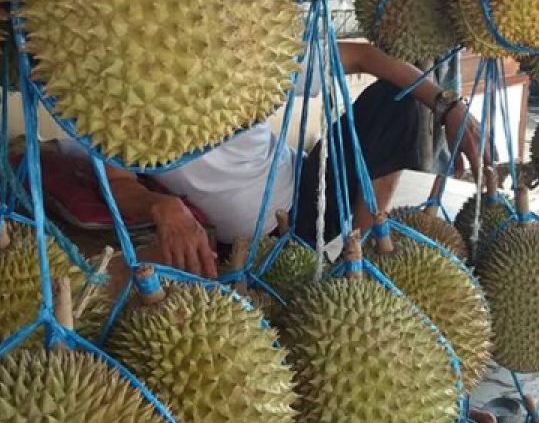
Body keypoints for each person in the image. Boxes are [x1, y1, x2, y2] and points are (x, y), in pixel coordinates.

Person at [102, 42, 483, 277]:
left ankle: (363, 261)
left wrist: (447, 106)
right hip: (245, 246)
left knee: (395, 102)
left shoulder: (246, 53)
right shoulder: (119, 95)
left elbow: (366, 57)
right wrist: (162, 206)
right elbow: (118, 182)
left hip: (310, 199)